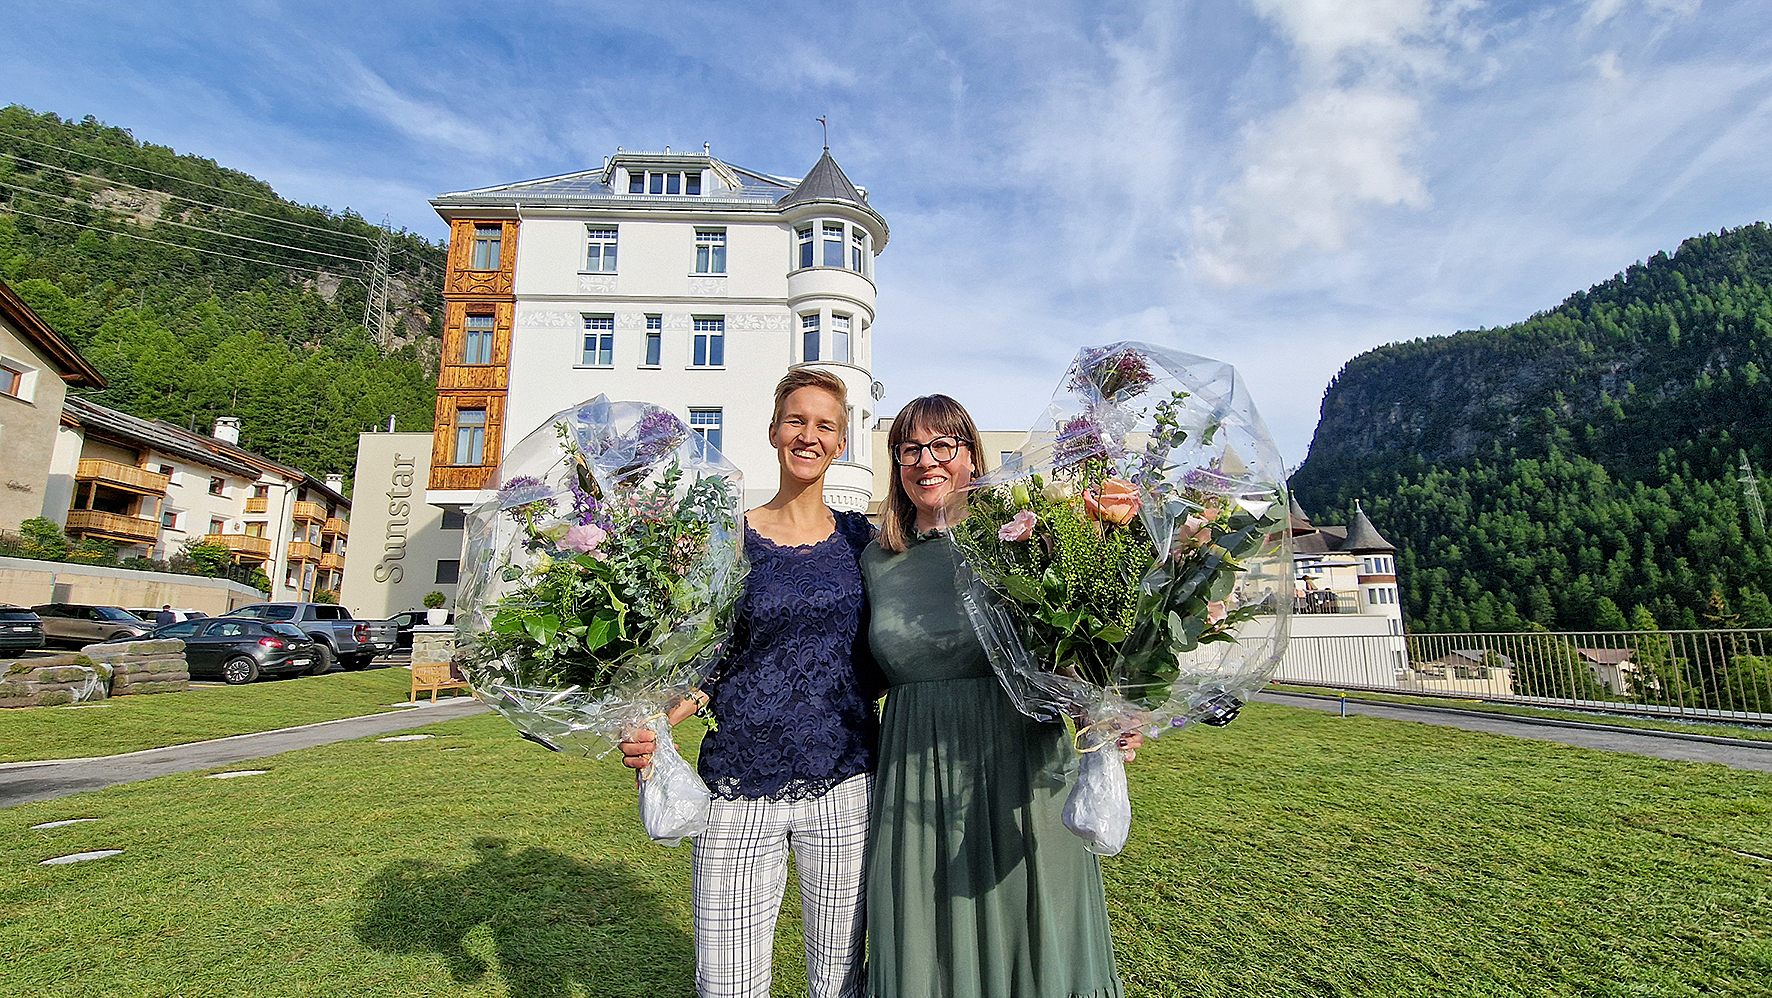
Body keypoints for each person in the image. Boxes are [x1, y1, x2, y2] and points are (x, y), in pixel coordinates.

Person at [862, 394, 1138, 998]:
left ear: (971, 458)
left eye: (943, 446)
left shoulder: (1025, 542)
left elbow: (1074, 646)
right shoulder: (877, 559)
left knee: (1032, 928)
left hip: (1019, 759)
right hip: (915, 766)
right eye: (910, 449)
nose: (926, 461)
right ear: (895, 462)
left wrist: (1108, 709)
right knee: (927, 935)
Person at [620, 369, 880, 998]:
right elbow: (705, 658)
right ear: (773, 431)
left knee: (841, 980)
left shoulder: (862, 541)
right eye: (796, 420)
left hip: (845, 780)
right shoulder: (728, 539)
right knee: (727, 980)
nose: (808, 435)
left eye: (825, 425)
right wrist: (651, 721)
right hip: (739, 785)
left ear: (841, 442)